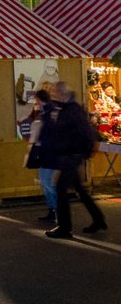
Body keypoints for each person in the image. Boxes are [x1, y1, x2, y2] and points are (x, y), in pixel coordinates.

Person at [45, 82, 107, 239]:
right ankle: (98, 219)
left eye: (55, 93)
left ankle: (65, 227)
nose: (52, 95)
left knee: (61, 189)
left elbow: (82, 132)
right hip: (71, 154)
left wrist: (81, 151)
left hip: (71, 155)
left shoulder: (71, 110)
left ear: (63, 94)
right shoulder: (67, 109)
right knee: (79, 189)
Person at [23, 90, 57, 223]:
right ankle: (53, 210)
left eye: (36, 100)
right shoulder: (44, 113)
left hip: (47, 152)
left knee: (47, 182)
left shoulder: (48, 114)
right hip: (44, 152)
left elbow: (42, 134)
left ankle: (56, 210)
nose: (35, 103)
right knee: (46, 182)